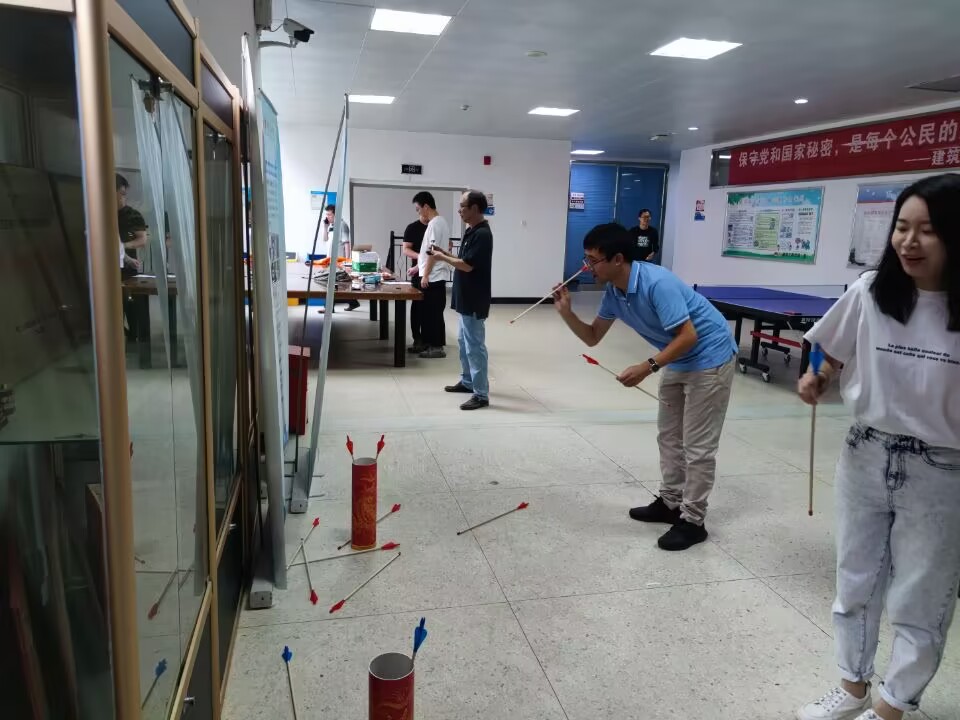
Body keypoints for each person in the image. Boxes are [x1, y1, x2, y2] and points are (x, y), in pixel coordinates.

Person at [795, 174, 960, 720]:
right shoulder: (870, 292)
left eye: (927, 230)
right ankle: (852, 689)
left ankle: (892, 708)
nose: (909, 242)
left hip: (943, 469)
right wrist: (818, 376)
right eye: (901, 227)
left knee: (921, 600)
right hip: (865, 452)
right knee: (855, 584)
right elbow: (829, 349)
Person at [553, 223, 737, 551]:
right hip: (678, 359)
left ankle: (693, 522)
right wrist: (566, 313)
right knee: (669, 437)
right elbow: (593, 337)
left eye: (593, 260)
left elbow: (689, 336)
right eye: (586, 259)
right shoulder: (614, 292)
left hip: (710, 357)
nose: (587, 267)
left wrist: (647, 366)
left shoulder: (657, 283)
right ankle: (670, 503)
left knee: (698, 447)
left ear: (618, 259)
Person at [430, 190, 492, 410]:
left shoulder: (482, 234)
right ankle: (467, 382)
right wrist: (443, 253)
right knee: (463, 342)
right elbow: (463, 259)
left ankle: (481, 394)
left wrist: (441, 257)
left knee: (474, 346)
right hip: (465, 297)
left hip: (474, 298)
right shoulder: (471, 231)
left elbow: (467, 266)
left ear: (474, 208)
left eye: (462, 206)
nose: (459, 210)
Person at [412, 191, 450, 359]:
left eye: (418, 209)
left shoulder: (435, 224)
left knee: (433, 313)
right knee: (430, 312)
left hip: (434, 276)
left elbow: (433, 252)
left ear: (426, 206)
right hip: (434, 274)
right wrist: (418, 268)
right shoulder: (441, 222)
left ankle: (436, 347)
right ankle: (429, 344)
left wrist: (425, 274)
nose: (418, 212)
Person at [322, 204, 359, 311]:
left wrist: (347, 262)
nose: (327, 217)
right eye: (327, 215)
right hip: (330, 260)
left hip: (339, 261)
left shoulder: (342, 225)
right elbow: (325, 239)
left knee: (333, 284)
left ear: (336, 214)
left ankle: (329, 308)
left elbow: (347, 243)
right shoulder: (331, 226)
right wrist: (325, 227)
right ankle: (353, 302)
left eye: (329, 215)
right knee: (335, 284)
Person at [403, 214, 428, 354]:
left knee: (431, 308)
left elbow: (446, 245)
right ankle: (417, 339)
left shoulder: (435, 226)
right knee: (417, 306)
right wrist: (421, 257)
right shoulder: (412, 228)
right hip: (418, 273)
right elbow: (406, 249)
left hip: (433, 274)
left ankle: (430, 340)